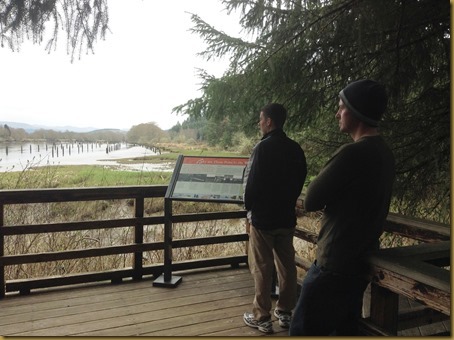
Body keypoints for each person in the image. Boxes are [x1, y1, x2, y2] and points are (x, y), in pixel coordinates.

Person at [289, 79, 396, 336]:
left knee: (302, 331)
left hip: (333, 265)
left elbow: (312, 199)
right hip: (359, 264)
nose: (337, 113)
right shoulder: (384, 153)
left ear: (356, 112)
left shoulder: (353, 153)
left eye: (341, 107)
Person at [242, 103, 307, 334]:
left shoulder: (263, 148)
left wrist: (248, 208)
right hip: (285, 217)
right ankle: (286, 312)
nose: (259, 123)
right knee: (287, 266)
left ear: (269, 121)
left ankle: (262, 317)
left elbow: (253, 183)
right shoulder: (295, 148)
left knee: (261, 267)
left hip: (263, 219)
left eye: (261, 119)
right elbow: (301, 179)